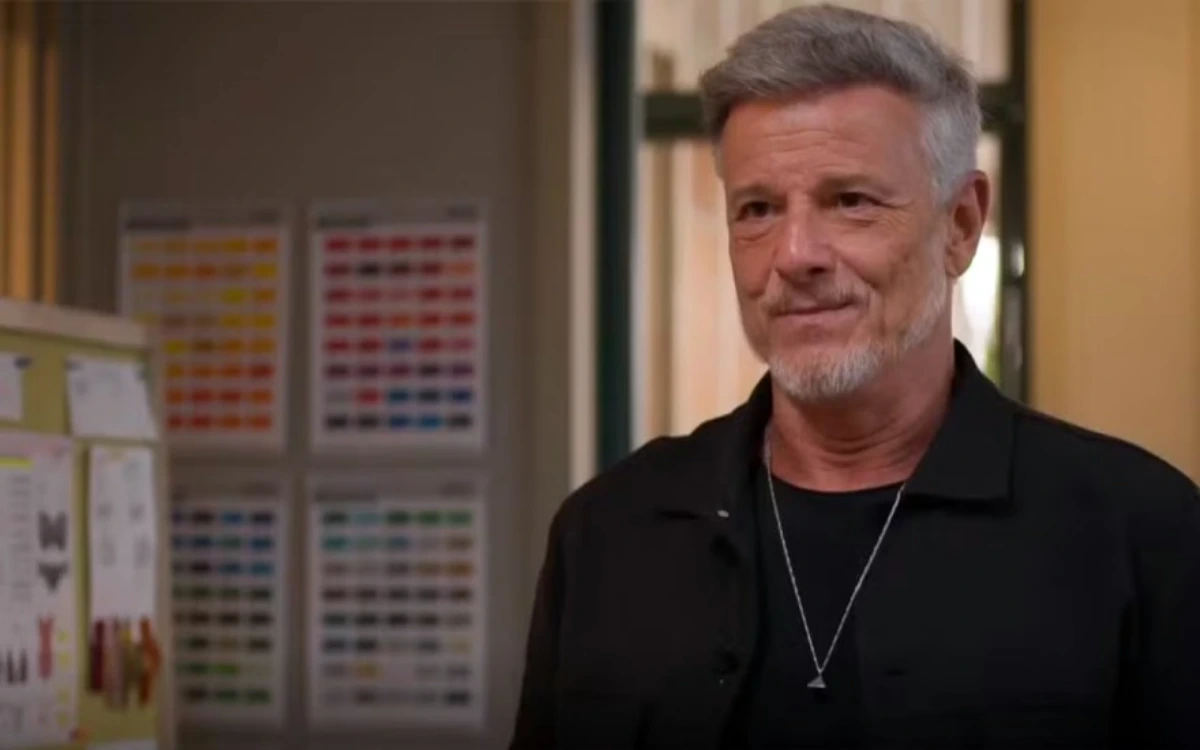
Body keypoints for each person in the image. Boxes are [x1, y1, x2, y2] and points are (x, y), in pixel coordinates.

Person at [511, 5, 1200, 748]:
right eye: (758, 209)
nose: (794, 255)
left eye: (850, 202)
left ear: (961, 225)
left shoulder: (1140, 533)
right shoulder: (609, 532)